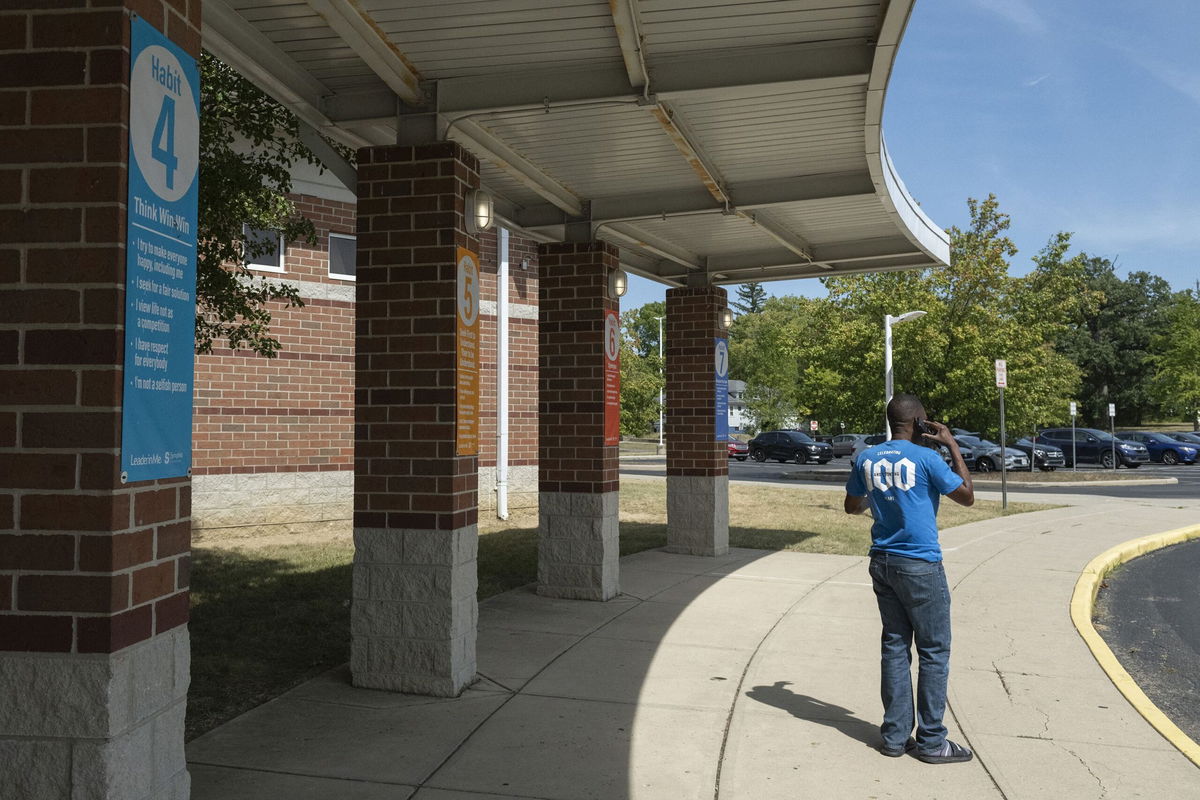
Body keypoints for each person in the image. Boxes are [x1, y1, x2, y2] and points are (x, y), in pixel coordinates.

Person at [844, 393, 975, 764]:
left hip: (883, 562)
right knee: (934, 651)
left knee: (895, 646)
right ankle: (932, 741)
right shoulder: (927, 457)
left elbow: (852, 505)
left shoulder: (867, 457)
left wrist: (885, 493)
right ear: (919, 422)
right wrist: (950, 443)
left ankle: (895, 737)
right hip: (919, 565)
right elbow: (966, 496)